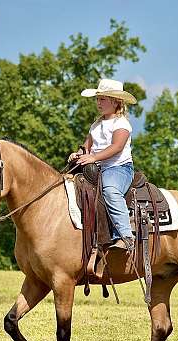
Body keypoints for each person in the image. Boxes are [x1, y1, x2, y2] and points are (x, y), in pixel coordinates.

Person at [68, 78, 137, 252]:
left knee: (110, 191)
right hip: (97, 168)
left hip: (118, 168)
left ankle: (126, 236)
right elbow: (87, 146)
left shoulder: (121, 123)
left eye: (103, 99)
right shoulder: (96, 124)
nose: (98, 102)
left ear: (116, 102)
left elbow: (116, 147)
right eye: (98, 99)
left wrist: (93, 158)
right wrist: (80, 154)